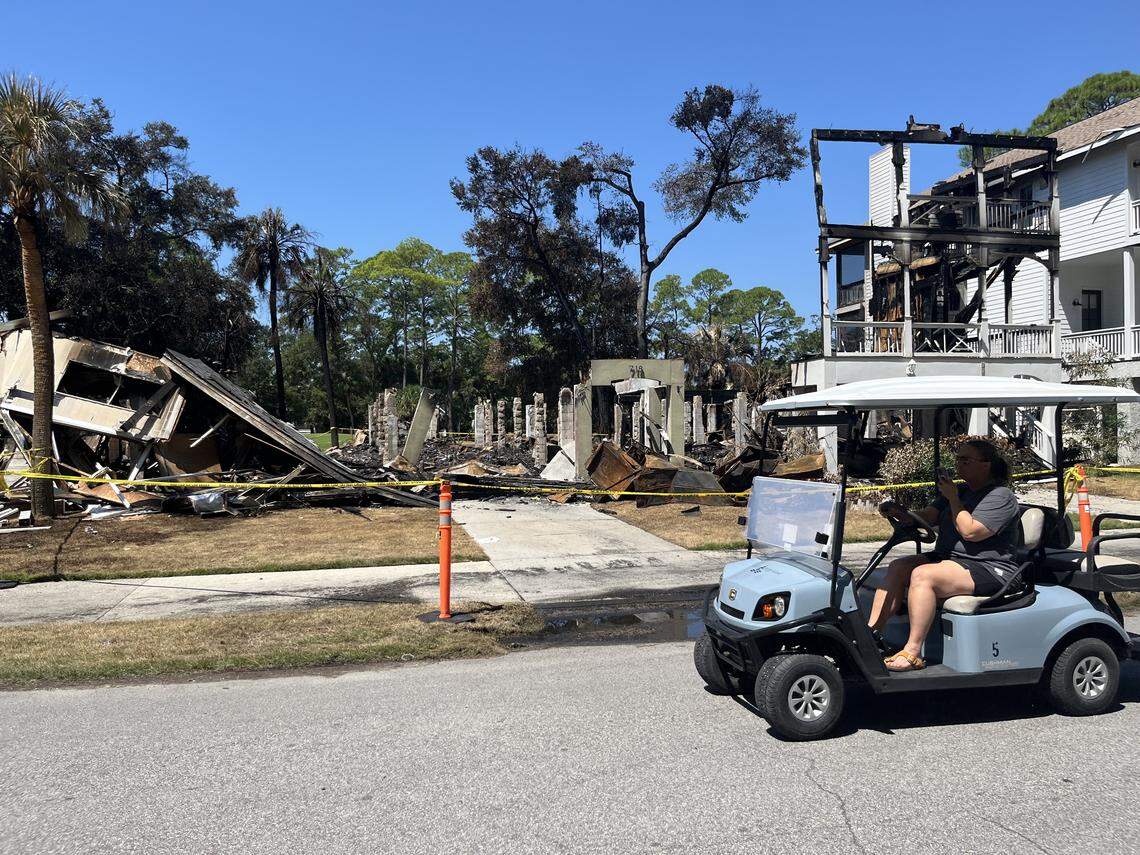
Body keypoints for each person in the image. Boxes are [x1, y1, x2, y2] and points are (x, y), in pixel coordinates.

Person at [867, 439, 1020, 672]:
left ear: (986, 464)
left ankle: (912, 652)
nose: (959, 465)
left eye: (966, 460)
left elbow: (970, 531)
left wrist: (954, 499)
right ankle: (870, 637)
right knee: (898, 566)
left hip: (990, 568)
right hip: (952, 560)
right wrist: (902, 513)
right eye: (958, 459)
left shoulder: (1000, 496)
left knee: (923, 575)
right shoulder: (960, 490)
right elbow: (928, 515)